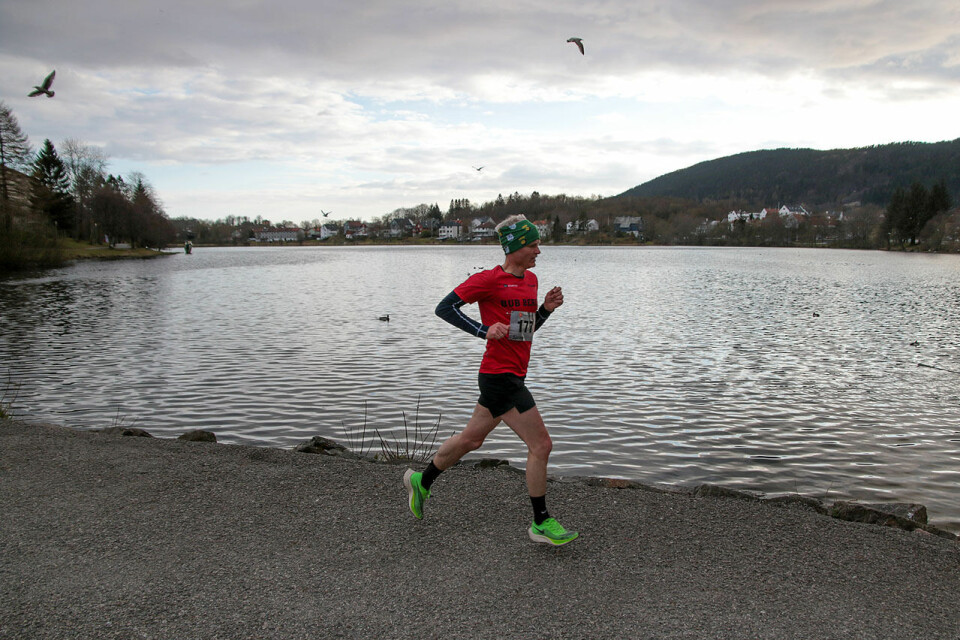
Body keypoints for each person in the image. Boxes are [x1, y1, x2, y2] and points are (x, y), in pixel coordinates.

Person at [403, 214, 578, 545]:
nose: (539, 250)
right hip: (501, 378)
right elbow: (445, 308)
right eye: (533, 244)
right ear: (514, 248)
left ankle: (421, 481)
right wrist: (483, 330)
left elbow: (523, 332)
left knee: (471, 440)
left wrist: (545, 311)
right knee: (541, 445)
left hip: (510, 373)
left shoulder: (531, 280)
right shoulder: (488, 280)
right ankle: (540, 522)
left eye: (538, 243)